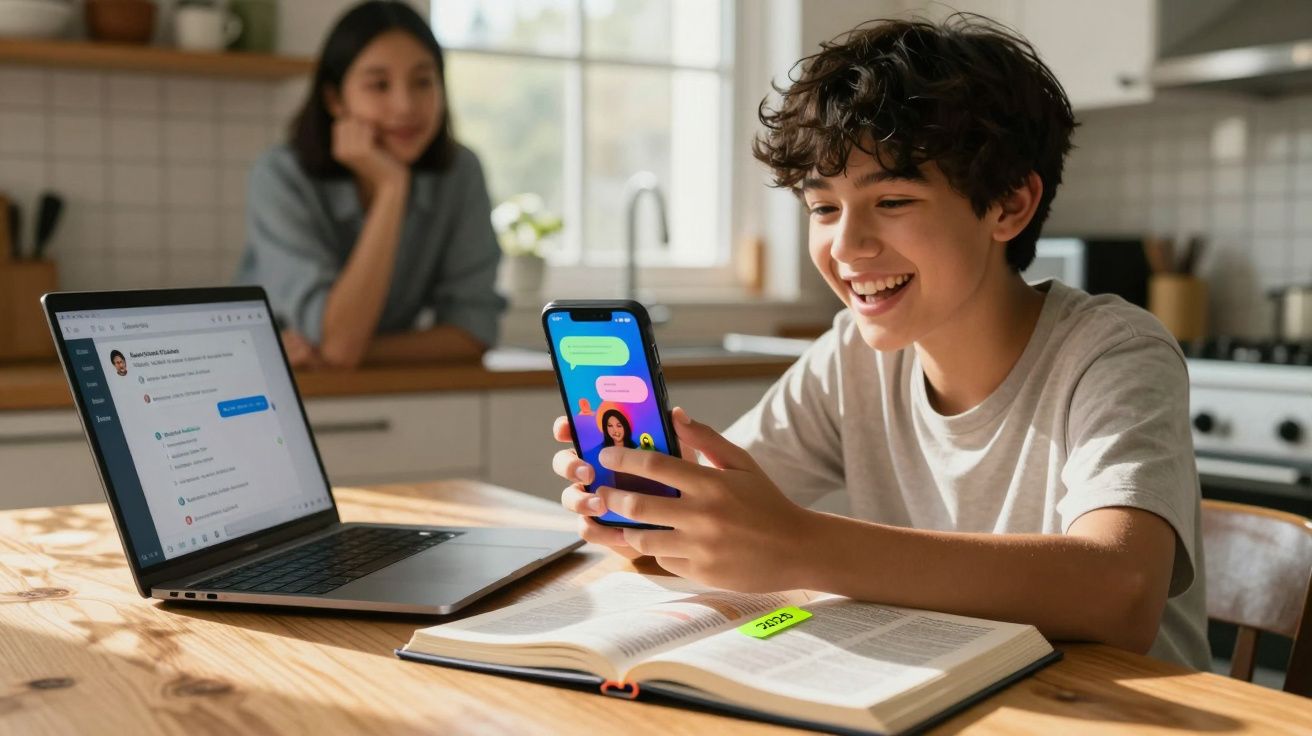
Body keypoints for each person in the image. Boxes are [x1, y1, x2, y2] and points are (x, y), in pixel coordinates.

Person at [549, 15, 1210, 670]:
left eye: (892, 201)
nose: (846, 246)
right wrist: (644, 514)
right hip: (942, 691)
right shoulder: (851, 357)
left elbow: (1121, 590)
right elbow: (720, 522)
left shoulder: (1113, 352)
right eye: (823, 208)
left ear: (1009, 205)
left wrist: (801, 544)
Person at [234, 1, 505, 369]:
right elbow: (339, 346)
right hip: (269, 377)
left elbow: (473, 331)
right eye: (379, 85)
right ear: (335, 99)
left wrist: (352, 351)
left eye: (423, 82)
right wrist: (392, 190)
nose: (405, 105)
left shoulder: (460, 172)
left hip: (357, 376)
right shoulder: (280, 176)